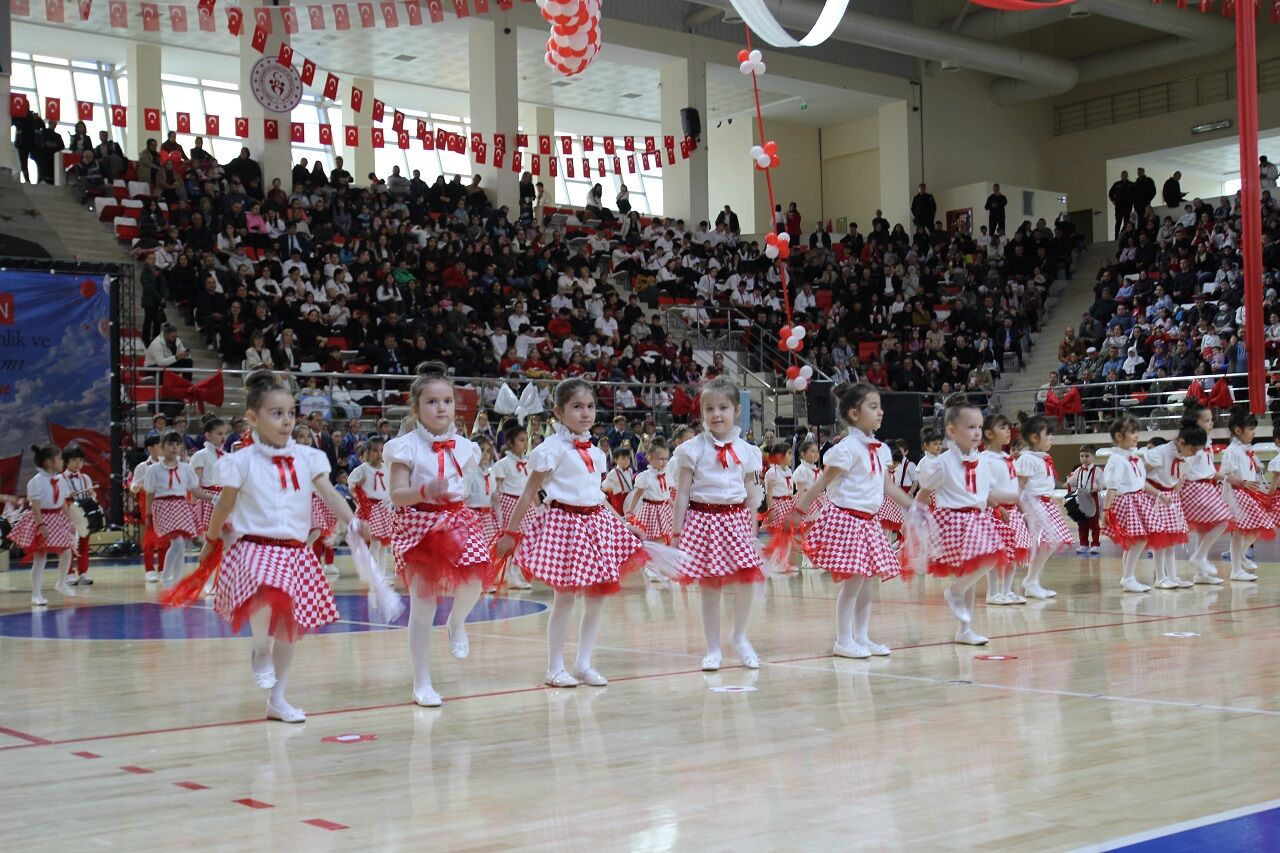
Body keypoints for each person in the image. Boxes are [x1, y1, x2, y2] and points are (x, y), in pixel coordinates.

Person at [179, 370, 358, 723]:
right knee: (266, 590)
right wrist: (211, 542)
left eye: (291, 413)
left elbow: (328, 492)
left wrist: (353, 522)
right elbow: (224, 506)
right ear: (252, 418)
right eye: (277, 413)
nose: (287, 420)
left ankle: (278, 698)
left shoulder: (309, 458)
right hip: (253, 548)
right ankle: (259, 646)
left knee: (289, 625)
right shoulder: (238, 462)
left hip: (295, 551)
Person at [493, 377, 651, 688]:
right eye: (577, 407)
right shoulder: (550, 449)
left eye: (590, 406)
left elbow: (597, 495)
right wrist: (510, 532)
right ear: (558, 411)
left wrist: (622, 522)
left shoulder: (595, 451)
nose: (585, 413)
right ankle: (554, 667)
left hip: (595, 525)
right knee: (564, 599)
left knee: (597, 598)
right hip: (564, 524)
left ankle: (583, 663)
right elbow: (528, 493)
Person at [385, 362, 497, 706]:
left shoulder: (466, 447)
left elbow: (462, 485)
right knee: (423, 603)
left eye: (447, 401)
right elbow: (396, 494)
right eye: (432, 402)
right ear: (416, 406)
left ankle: (456, 623)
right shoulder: (404, 447)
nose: (441, 408)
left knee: (476, 579)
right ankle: (422, 681)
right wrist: (424, 490)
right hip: (418, 525)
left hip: (457, 520)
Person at [790, 384, 911, 658]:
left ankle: (862, 636)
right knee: (854, 582)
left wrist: (914, 507)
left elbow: (887, 486)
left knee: (867, 581)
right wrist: (800, 510)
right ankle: (844, 639)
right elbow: (822, 482)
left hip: (868, 522)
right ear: (854, 413)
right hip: (847, 520)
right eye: (873, 407)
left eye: (880, 406)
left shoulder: (880, 450)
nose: (880, 412)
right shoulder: (846, 449)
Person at [670, 376, 765, 671]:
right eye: (709, 408)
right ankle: (713, 648)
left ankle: (739, 636)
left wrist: (752, 532)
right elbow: (682, 494)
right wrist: (676, 533)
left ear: (737, 409)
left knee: (747, 580)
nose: (716, 414)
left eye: (723, 407)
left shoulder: (748, 451)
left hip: (736, 521)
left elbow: (751, 494)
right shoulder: (691, 449)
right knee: (710, 587)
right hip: (702, 521)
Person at [913, 399, 1006, 646]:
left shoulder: (984, 460)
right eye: (970, 427)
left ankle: (965, 628)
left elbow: (983, 491)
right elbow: (924, 492)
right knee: (986, 560)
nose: (976, 432)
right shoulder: (941, 463)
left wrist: (997, 505)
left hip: (978, 519)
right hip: (954, 520)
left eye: (979, 427)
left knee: (980, 568)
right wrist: (915, 516)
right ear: (952, 431)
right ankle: (955, 593)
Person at [1013, 415, 1073, 599]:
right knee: (1044, 543)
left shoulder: (1042, 457)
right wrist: (1025, 511)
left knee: (1050, 543)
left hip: (1046, 503)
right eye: (1048, 434)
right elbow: (1019, 487)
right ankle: (1031, 581)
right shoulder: (1027, 459)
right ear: (1034, 438)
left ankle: (1032, 580)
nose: (1052, 438)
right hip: (1033, 504)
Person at [1101, 414, 1162, 593]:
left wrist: (1159, 494)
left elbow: (1141, 482)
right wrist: (1106, 509)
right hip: (1126, 502)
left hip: (1137, 500)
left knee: (1136, 541)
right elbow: (1112, 486)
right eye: (1132, 432)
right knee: (1139, 540)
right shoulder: (1117, 460)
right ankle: (1128, 577)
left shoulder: (1133, 457)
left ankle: (1128, 577)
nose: (1136, 436)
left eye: (1137, 432)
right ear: (1119, 436)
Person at [9, 445, 76, 605]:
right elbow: (35, 506)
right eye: (59, 458)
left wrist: (69, 520)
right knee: (40, 558)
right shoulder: (36, 482)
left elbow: (63, 503)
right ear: (48, 462)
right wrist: (40, 525)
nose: (62, 461)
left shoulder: (61, 480)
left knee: (66, 552)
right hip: (43, 519)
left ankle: (61, 582)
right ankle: (36, 594)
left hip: (58, 519)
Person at [1176, 402, 1230, 584]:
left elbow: (1207, 469)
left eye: (1211, 420)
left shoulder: (1206, 442)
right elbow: (1185, 468)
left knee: (1203, 530)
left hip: (1207, 486)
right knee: (1222, 521)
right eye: (1206, 421)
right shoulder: (1192, 444)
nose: (1211, 423)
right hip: (1196, 488)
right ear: (1195, 423)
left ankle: (1200, 574)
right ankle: (1198, 557)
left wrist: (1223, 476)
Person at [1144, 429, 1202, 590]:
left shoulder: (1184, 457)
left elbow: (1177, 479)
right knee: (1160, 540)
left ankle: (1172, 576)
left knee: (1170, 540)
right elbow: (1140, 478)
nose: (1193, 454)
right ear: (1182, 443)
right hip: (1154, 497)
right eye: (1193, 450)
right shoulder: (1158, 453)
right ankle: (1160, 578)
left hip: (1169, 497)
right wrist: (1159, 495)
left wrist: (1174, 496)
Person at [144, 431, 204, 586]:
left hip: (181, 506)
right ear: (162, 447)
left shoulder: (185, 468)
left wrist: (214, 497)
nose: (174, 447)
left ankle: (177, 580)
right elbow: (150, 493)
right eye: (170, 444)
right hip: (163, 506)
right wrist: (148, 514)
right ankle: (165, 575)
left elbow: (195, 490)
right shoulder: (153, 470)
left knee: (181, 544)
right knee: (177, 543)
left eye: (177, 444)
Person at [981, 414, 1029, 606]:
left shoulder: (1008, 458)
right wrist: (996, 505)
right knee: (995, 554)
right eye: (1002, 428)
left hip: (1012, 511)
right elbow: (981, 489)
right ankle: (992, 592)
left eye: (1008, 427)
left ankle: (1007, 591)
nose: (1008, 430)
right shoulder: (983, 459)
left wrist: (1023, 511)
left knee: (1014, 554)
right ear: (989, 433)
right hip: (995, 511)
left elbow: (1015, 489)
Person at [1219, 406, 1270, 582]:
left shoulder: (1246, 448)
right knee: (1240, 532)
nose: (1254, 432)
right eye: (1251, 429)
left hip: (1248, 492)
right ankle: (1236, 569)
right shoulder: (1232, 450)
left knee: (1257, 528)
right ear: (1238, 430)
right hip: (1237, 493)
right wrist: (1244, 482)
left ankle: (1239, 556)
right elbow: (1227, 474)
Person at [489, 422, 533, 590]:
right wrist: (496, 510)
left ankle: (514, 574)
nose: (525, 443)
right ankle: (499, 573)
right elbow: (497, 489)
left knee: (523, 542)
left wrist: (538, 507)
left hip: (524, 504)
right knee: (508, 540)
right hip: (508, 503)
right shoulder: (503, 464)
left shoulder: (529, 463)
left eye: (526, 439)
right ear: (510, 443)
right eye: (521, 440)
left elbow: (531, 488)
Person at [623, 438, 674, 578]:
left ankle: (660, 567)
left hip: (664, 510)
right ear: (650, 459)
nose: (664, 462)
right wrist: (630, 511)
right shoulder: (645, 477)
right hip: (651, 510)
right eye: (661, 459)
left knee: (665, 539)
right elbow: (637, 494)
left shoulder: (667, 474)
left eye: (666, 458)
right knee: (651, 540)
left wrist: (675, 507)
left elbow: (666, 494)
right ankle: (651, 567)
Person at [294, 427, 338, 576]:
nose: (306, 439)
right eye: (301, 436)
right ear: (293, 439)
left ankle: (307, 555)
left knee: (319, 530)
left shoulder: (316, 456)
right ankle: (302, 557)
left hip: (314, 499)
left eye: (307, 436)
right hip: (296, 501)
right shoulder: (290, 458)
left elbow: (323, 479)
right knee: (305, 532)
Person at [348, 436, 393, 579]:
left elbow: (391, 487)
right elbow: (351, 487)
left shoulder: (387, 468)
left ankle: (381, 574)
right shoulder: (363, 469)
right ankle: (372, 574)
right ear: (367, 452)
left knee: (383, 545)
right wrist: (357, 486)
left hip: (383, 509)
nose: (378, 454)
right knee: (375, 543)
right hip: (369, 509)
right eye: (375, 451)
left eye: (381, 450)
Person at [190, 417, 231, 551]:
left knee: (228, 539)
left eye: (225, 433)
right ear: (208, 435)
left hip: (225, 497)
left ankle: (223, 569)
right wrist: (196, 503)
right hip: (209, 499)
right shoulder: (200, 455)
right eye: (220, 433)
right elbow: (195, 484)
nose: (223, 437)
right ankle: (207, 568)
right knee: (213, 539)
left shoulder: (227, 456)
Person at [60, 445, 97, 586]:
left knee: (83, 545)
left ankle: (83, 572)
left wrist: (92, 495)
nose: (77, 463)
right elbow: (59, 499)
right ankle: (68, 574)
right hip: (68, 516)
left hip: (83, 516)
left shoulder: (86, 478)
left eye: (80, 460)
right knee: (68, 546)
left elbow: (90, 496)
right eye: (74, 460)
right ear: (66, 461)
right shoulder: (60, 478)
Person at [463, 437, 499, 578]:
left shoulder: (490, 474)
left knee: (488, 547)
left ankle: (484, 578)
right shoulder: (469, 473)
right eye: (482, 450)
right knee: (474, 549)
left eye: (488, 451)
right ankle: (474, 578)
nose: (485, 454)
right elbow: (464, 495)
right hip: (473, 516)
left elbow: (492, 494)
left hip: (487, 516)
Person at [1066, 445, 1102, 556]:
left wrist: (1097, 486)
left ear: (1093, 457)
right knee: (1082, 522)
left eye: (1087, 456)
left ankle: (1095, 544)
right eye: (1082, 456)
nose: (1084, 458)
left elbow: (1103, 484)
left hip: (1092, 497)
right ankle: (1084, 544)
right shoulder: (1078, 470)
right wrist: (1069, 479)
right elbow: (1072, 482)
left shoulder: (1098, 470)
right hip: (1081, 498)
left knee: (1094, 523)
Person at [602, 445, 635, 516]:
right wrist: (613, 487)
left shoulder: (630, 470)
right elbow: (604, 486)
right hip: (619, 499)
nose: (626, 460)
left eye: (628, 458)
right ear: (616, 460)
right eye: (623, 458)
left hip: (629, 497)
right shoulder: (613, 473)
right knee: (620, 519)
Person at [36, 118, 65, 185]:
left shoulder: (58, 136)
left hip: (54, 157)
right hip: (44, 156)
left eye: (55, 124)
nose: (54, 125)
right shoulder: (43, 132)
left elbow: (62, 146)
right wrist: (46, 144)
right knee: (43, 170)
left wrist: (55, 145)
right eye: (52, 123)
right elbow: (40, 142)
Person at [1108, 170, 1134, 239]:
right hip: (1119, 207)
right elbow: (1110, 193)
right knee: (1118, 222)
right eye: (1123, 175)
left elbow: (1135, 194)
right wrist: (1113, 200)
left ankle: (1126, 236)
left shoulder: (1131, 184)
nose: (1124, 176)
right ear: (1121, 176)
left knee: (1126, 222)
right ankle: (1116, 237)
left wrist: (1132, 202)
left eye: (1125, 175)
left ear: (1127, 176)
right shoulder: (1117, 184)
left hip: (1128, 207)